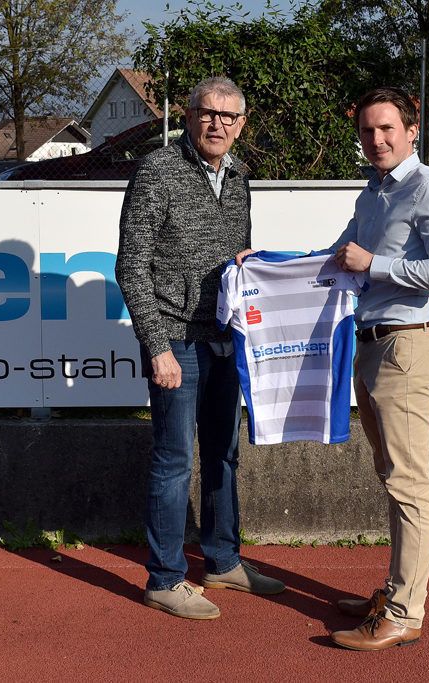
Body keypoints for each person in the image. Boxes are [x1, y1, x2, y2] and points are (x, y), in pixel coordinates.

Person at [115, 76, 284, 621]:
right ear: (188, 116)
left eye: (228, 116)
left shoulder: (239, 176)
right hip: (175, 340)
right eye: (208, 113)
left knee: (224, 454)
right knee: (174, 460)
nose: (217, 124)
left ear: (242, 124)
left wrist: (248, 265)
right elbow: (131, 266)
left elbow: (235, 257)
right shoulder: (157, 170)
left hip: (225, 340)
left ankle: (223, 561)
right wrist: (156, 346)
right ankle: (165, 579)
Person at [325, 86, 429, 650]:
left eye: (387, 128)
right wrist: (260, 266)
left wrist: (375, 264)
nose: (377, 139)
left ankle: (406, 613)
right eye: (367, 130)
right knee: (393, 477)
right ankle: (395, 593)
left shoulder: (428, 187)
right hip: (372, 347)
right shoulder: (374, 191)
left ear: (411, 130)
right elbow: (336, 258)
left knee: (409, 484)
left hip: (405, 348)